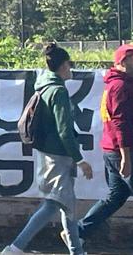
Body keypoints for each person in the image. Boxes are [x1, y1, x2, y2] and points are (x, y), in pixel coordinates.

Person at [1, 44, 93, 255]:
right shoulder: (58, 91)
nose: (71, 68)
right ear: (63, 66)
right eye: (70, 64)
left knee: (66, 204)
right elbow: (65, 131)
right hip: (58, 156)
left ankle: (76, 251)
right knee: (53, 204)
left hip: (48, 154)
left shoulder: (44, 87)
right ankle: (15, 248)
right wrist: (80, 160)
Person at [76, 43, 133, 245]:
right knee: (115, 196)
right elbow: (120, 122)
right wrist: (126, 156)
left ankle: (78, 233)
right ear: (124, 61)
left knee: (116, 196)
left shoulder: (115, 83)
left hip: (111, 149)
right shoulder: (120, 86)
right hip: (122, 151)